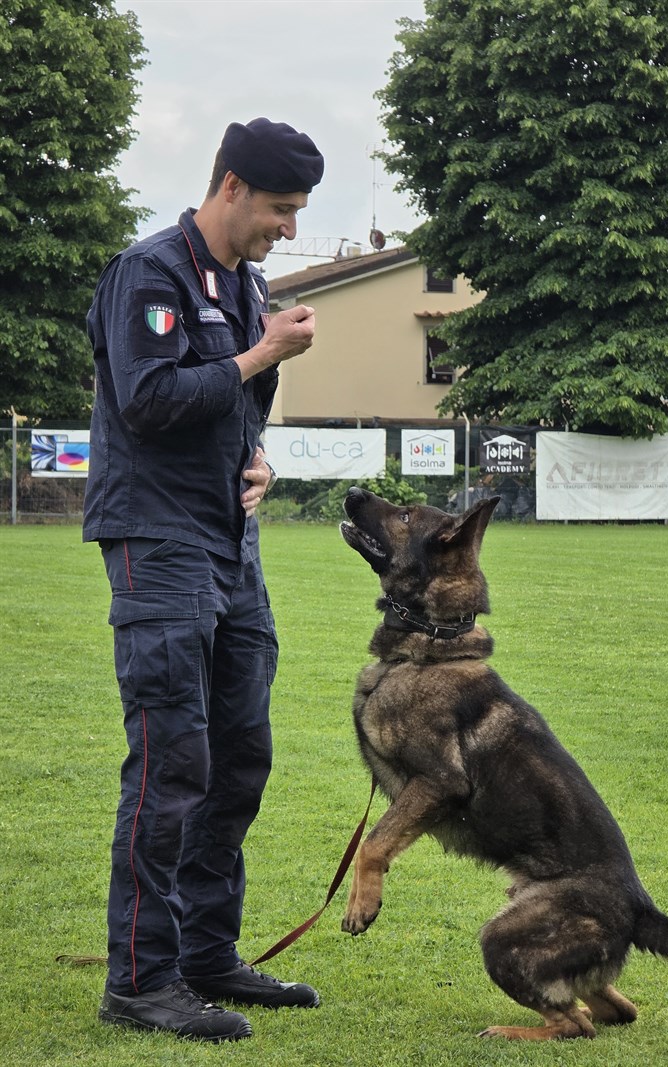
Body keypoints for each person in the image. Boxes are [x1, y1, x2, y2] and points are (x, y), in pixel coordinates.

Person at [83, 117, 324, 1042]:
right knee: (172, 763)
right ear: (230, 188)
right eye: (279, 209)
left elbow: (227, 403)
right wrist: (262, 354)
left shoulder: (245, 283)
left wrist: (259, 459)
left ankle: (205, 956)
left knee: (238, 756)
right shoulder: (148, 273)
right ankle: (140, 981)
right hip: (157, 538)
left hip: (232, 545)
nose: (288, 230)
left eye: (298, 212)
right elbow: (146, 403)